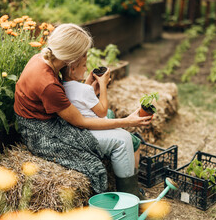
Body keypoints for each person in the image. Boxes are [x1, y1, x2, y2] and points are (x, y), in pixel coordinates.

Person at [14, 23, 151, 198]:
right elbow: (80, 121)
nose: (84, 57)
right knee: (122, 140)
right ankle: (131, 197)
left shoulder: (42, 59)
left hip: (49, 119)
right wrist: (129, 121)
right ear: (71, 58)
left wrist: (87, 89)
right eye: (82, 53)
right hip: (43, 133)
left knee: (108, 117)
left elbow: (64, 98)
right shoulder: (47, 83)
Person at [61, 56, 142, 177]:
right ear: (73, 69)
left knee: (111, 113)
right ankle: (132, 182)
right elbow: (102, 111)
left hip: (78, 128)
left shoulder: (62, 86)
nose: (86, 68)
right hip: (91, 129)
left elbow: (79, 99)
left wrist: (88, 85)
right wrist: (103, 85)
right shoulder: (84, 90)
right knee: (134, 141)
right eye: (84, 65)